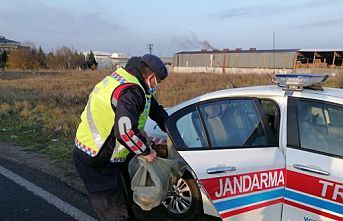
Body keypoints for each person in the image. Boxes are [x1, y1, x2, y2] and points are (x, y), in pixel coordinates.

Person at [73, 54, 169, 221]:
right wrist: (146, 151)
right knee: (114, 212)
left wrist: (172, 130)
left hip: (111, 155)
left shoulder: (135, 83)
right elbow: (124, 132)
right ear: (151, 77)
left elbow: (156, 110)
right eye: (157, 82)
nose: (156, 86)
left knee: (125, 197)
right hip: (97, 157)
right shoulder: (131, 92)